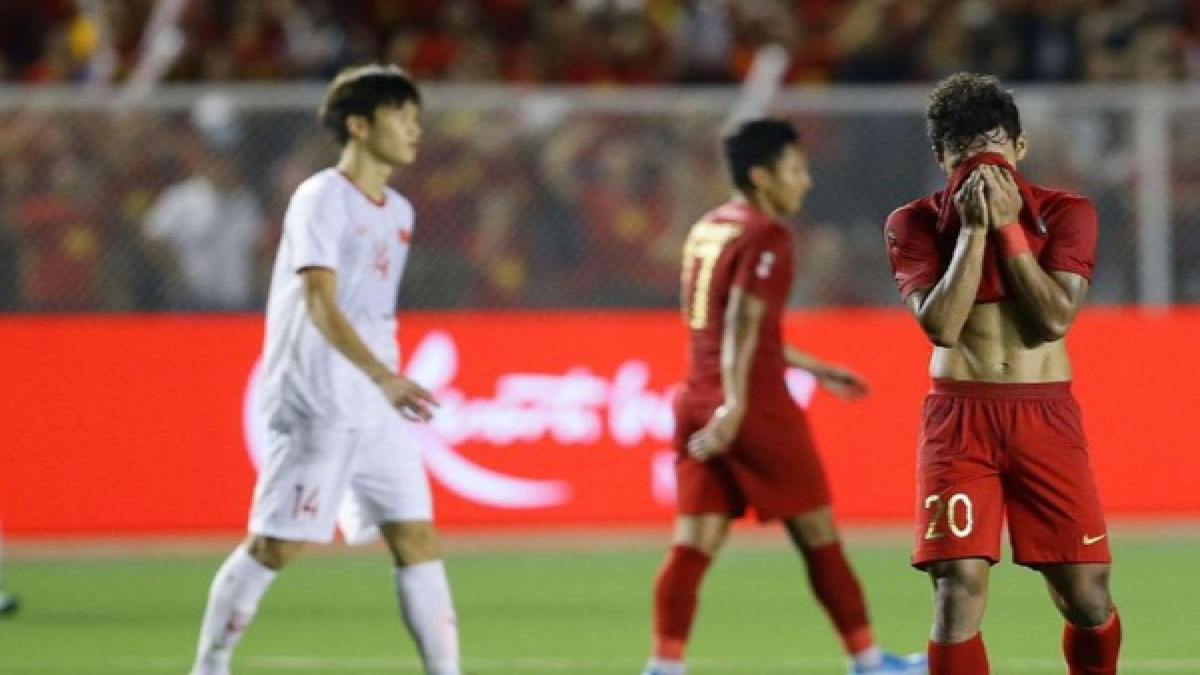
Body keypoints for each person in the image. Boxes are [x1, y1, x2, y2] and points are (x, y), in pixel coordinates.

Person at [188, 65, 461, 675]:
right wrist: (382, 374)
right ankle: (209, 666)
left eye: (417, 117)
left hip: (375, 401)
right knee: (277, 544)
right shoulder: (321, 197)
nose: (416, 129)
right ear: (360, 126)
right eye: (403, 116)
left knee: (415, 537)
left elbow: (371, 307)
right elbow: (319, 300)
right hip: (318, 397)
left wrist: (384, 380)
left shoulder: (398, 210)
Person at [643, 119, 927, 675]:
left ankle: (663, 667)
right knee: (818, 534)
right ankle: (869, 662)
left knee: (693, 542)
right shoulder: (766, 235)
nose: (806, 182)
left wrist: (813, 366)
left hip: (694, 397)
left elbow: (725, 326)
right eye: (795, 170)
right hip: (752, 404)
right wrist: (737, 407)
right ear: (760, 176)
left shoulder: (708, 228)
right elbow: (745, 326)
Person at [883, 72, 1121, 674]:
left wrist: (1010, 227)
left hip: (1044, 414)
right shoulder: (913, 223)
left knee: (1085, 596)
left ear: (1020, 147)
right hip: (960, 416)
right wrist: (973, 230)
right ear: (942, 159)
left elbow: (1052, 319)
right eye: (964, 156)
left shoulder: (1068, 213)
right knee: (956, 586)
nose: (981, 171)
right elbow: (941, 325)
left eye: (992, 152)